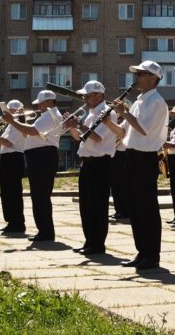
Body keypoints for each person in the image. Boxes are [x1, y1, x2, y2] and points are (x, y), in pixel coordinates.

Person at [114, 60, 168, 270]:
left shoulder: (156, 102)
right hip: (132, 155)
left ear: (154, 78)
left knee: (147, 208)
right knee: (135, 207)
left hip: (145, 158)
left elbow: (144, 129)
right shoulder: (139, 101)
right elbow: (124, 131)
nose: (137, 78)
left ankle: (152, 255)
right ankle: (141, 251)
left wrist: (124, 112)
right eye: (137, 74)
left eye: (142, 74)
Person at [66, 80, 122, 256]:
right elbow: (81, 138)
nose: (85, 99)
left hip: (100, 163)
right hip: (87, 162)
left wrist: (79, 125)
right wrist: (71, 128)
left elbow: (97, 138)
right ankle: (89, 241)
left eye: (88, 95)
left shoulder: (107, 113)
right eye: (84, 96)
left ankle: (97, 244)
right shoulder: (90, 114)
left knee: (97, 206)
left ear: (100, 95)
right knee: (86, 206)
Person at [3, 89, 61, 243]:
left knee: (41, 196)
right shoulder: (46, 116)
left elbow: (31, 131)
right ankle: (43, 230)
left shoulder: (51, 115)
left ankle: (46, 232)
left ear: (49, 102)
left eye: (41, 103)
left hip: (43, 156)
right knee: (38, 196)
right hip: (39, 156)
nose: (39, 106)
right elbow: (27, 133)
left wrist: (12, 121)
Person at [0, 100, 27, 233]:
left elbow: (8, 143)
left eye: (10, 111)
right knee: (6, 192)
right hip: (7, 158)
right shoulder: (10, 126)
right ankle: (11, 221)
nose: (6, 114)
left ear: (17, 111)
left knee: (13, 192)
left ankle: (17, 223)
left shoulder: (18, 125)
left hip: (14, 158)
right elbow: (0, 144)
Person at [110, 109, 131, 221]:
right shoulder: (121, 122)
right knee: (115, 184)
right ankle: (119, 209)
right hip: (115, 153)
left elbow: (123, 134)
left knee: (122, 184)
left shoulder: (128, 121)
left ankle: (125, 210)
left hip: (123, 153)